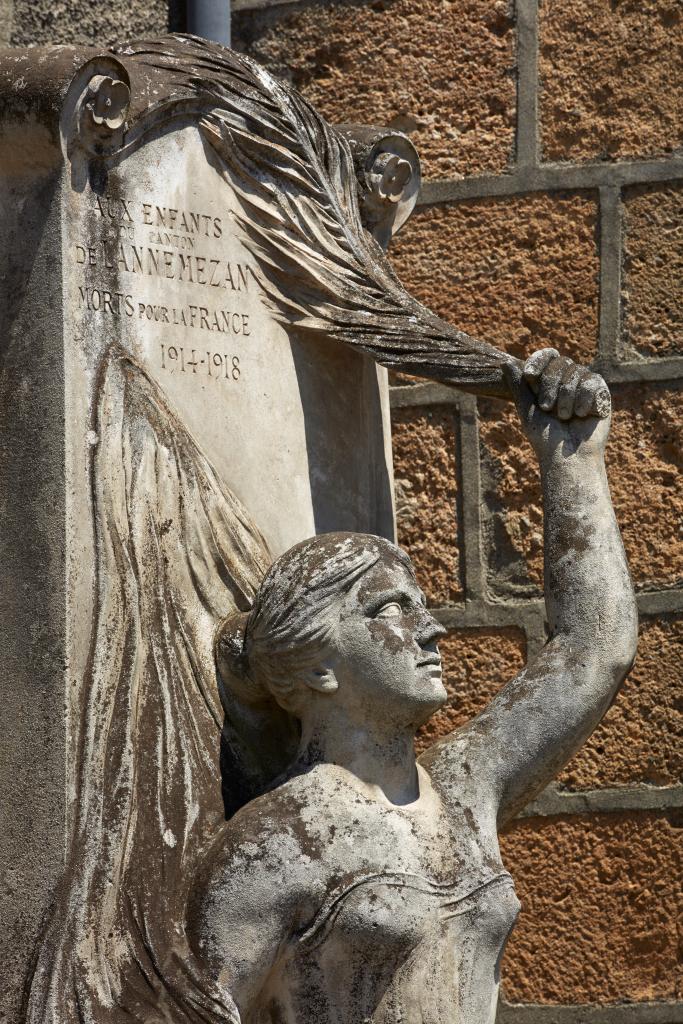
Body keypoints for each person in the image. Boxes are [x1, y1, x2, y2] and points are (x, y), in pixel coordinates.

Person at [185, 349, 638, 1024]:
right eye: (388, 609)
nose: (431, 630)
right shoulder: (276, 844)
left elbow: (592, 650)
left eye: (421, 603)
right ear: (316, 666)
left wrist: (571, 461)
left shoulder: (464, 784)